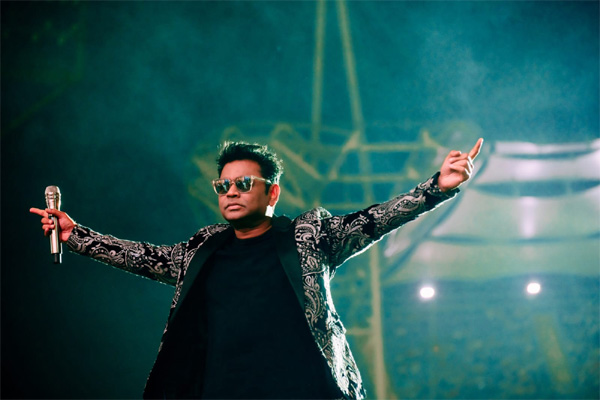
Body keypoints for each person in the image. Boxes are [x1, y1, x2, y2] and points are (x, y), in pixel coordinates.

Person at [30, 138, 483, 399]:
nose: (230, 191)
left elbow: (375, 219)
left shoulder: (310, 236)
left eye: (244, 183)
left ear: (272, 192)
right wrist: (77, 235)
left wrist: (437, 187)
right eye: (223, 185)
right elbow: (145, 257)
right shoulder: (204, 248)